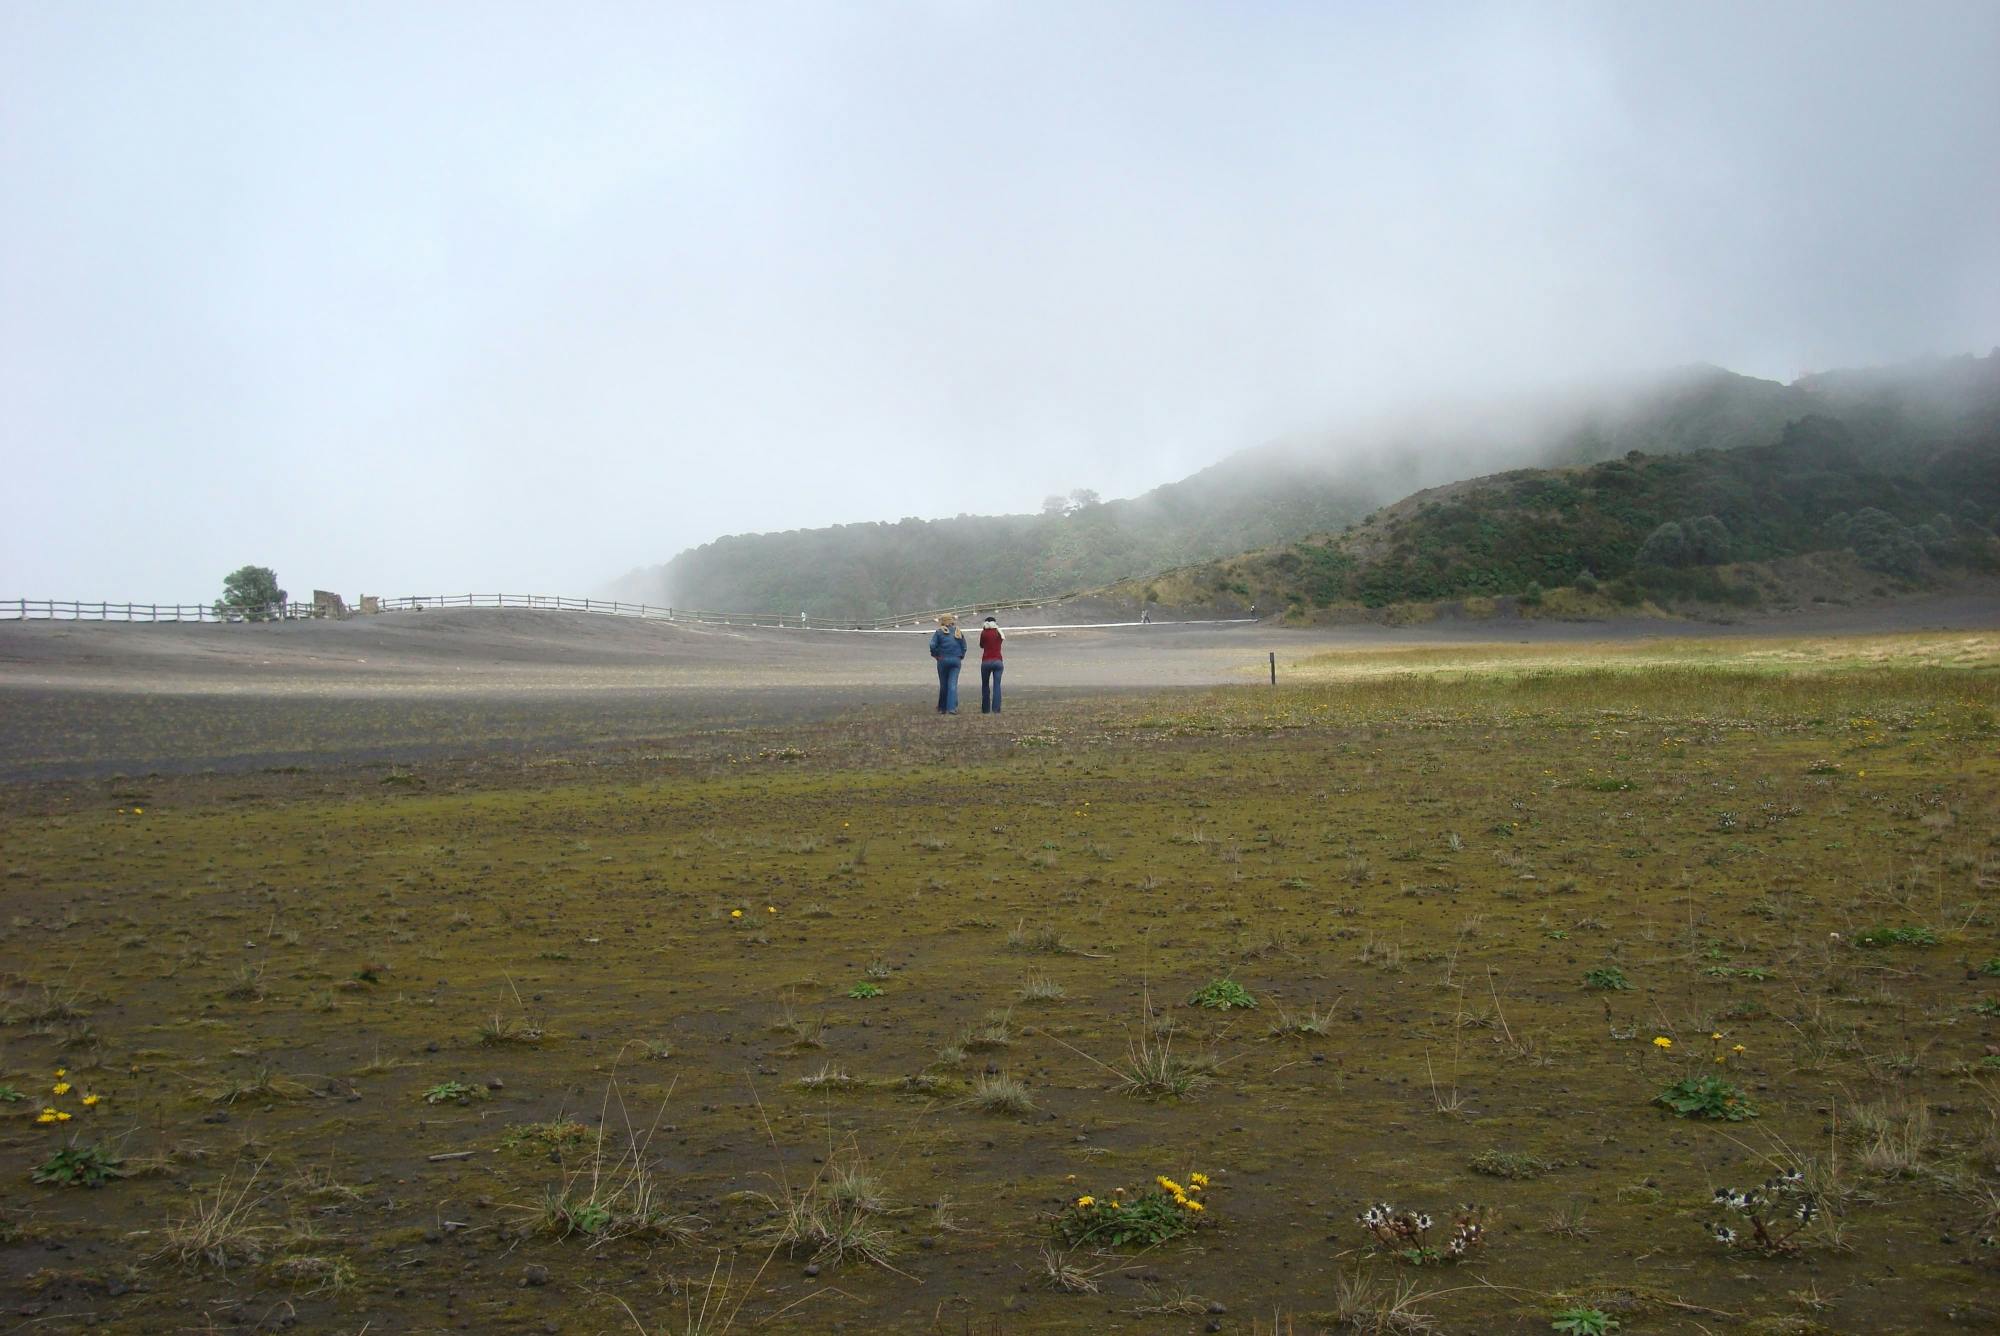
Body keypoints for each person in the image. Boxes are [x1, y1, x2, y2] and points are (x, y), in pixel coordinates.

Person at [928, 614, 967, 714]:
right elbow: (964, 646)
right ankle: (951, 708)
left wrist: (935, 655)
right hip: (956, 660)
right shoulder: (958, 631)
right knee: (952, 684)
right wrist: (961, 655)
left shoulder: (939, 632)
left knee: (943, 684)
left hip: (943, 659)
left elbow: (932, 645)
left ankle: (942, 708)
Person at [978, 615, 1005, 713]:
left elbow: (981, 645)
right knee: (997, 686)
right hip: (998, 660)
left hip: (986, 661)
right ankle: (996, 709)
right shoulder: (999, 633)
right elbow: (1000, 641)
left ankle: (985, 709)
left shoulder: (984, 633)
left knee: (985, 685)